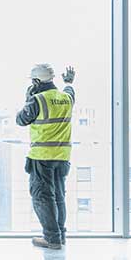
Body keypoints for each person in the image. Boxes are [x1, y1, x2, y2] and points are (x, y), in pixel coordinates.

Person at [16, 63, 76, 250]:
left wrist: (28, 97)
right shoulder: (66, 98)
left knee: (42, 197)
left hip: (42, 156)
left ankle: (52, 239)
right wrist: (69, 81)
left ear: (36, 81)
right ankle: (60, 235)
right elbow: (70, 90)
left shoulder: (38, 100)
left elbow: (21, 120)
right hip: (62, 156)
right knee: (58, 196)